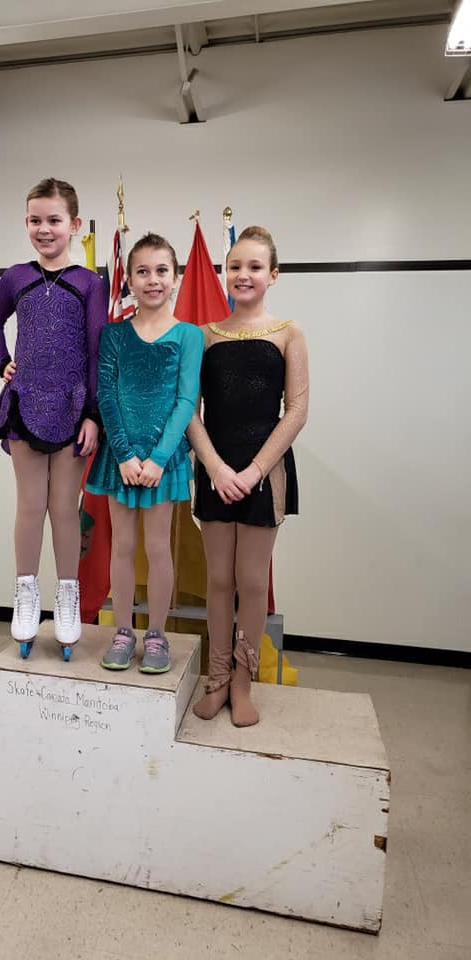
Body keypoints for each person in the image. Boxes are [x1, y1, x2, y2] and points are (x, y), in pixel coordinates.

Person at [187, 226, 309, 725]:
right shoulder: (204, 336)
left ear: (273, 275)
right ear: (224, 272)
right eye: (235, 266)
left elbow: (296, 410)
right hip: (215, 469)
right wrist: (216, 467)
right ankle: (217, 677)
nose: (244, 274)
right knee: (219, 579)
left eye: (255, 267)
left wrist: (256, 469)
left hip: (266, 472)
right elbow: (189, 410)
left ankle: (243, 680)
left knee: (251, 580)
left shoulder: (289, 333)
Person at [0, 178, 107, 657]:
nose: (44, 229)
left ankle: (68, 597)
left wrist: (92, 414)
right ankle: (26, 594)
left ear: (74, 225)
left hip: (73, 407)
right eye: (35, 220)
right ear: (26, 223)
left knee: (64, 508)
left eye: (54, 220)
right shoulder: (16, 277)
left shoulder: (89, 283)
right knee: (30, 506)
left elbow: (96, 350)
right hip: (25, 403)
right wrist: (3, 361)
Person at [86, 233, 204, 674]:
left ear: (175, 278)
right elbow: (107, 395)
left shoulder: (189, 335)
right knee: (122, 545)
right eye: (142, 272)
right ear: (130, 281)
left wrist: (157, 458)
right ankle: (122, 631)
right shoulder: (114, 334)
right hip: (120, 458)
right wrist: (123, 454)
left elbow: (186, 401)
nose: (152, 280)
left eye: (161, 271)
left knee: (157, 548)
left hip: (162, 460)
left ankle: (156, 634)